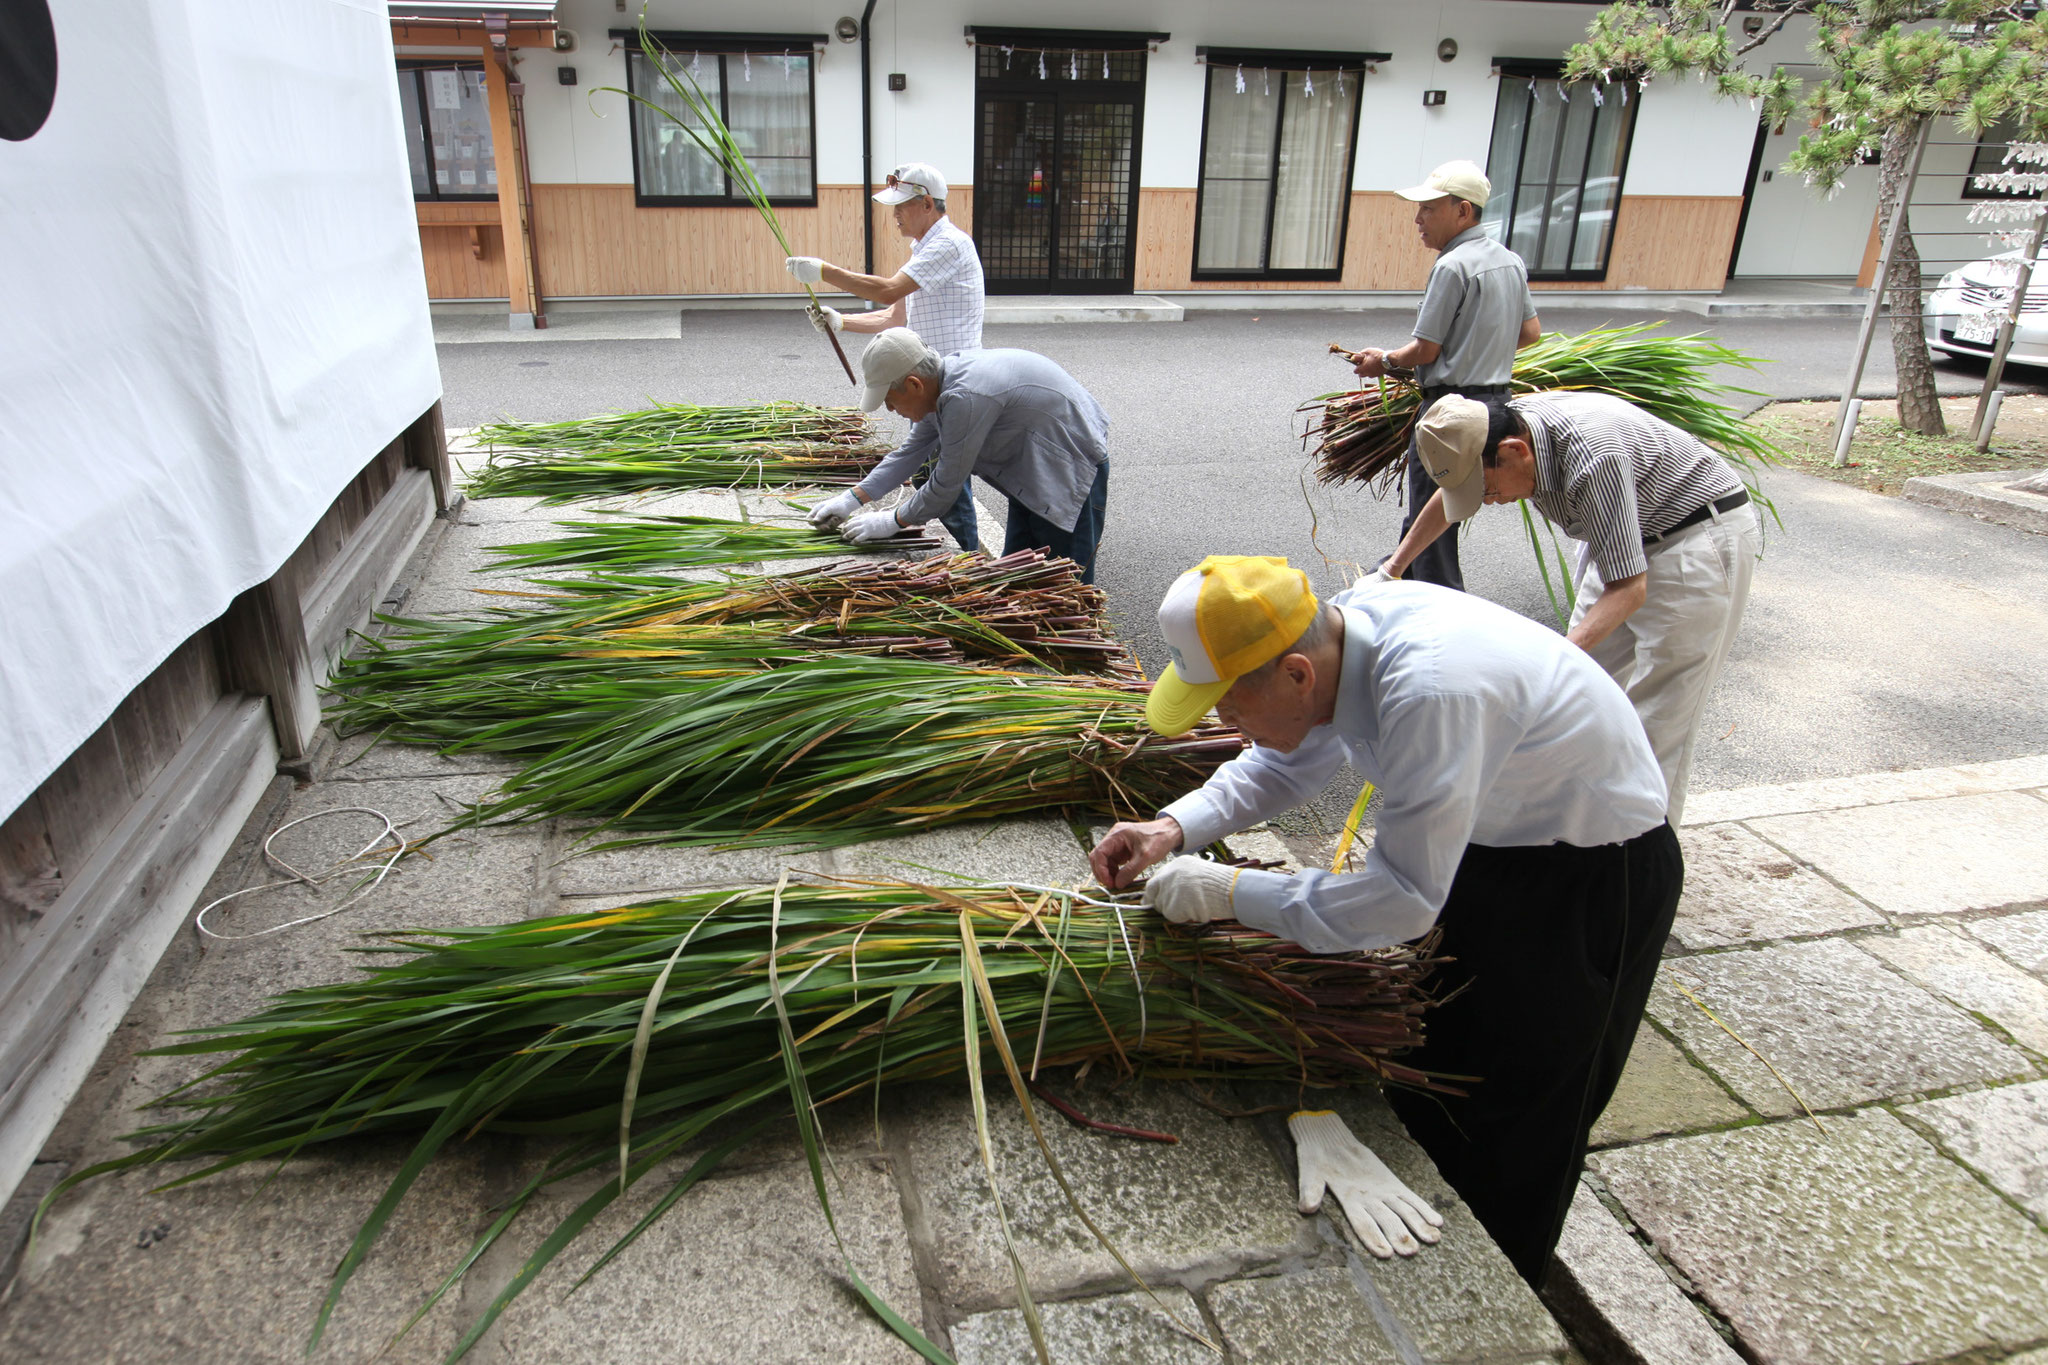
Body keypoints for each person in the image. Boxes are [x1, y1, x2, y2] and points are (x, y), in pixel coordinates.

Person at [1089, 555, 1680, 1287]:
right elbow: (1284, 761)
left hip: (1590, 875)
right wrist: (1174, 828)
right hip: (1491, 843)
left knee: (1521, 1108)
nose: (1222, 722)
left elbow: (1400, 896)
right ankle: (1440, 1234)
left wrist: (1228, 889)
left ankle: (1497, 1293)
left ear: (1297, 674)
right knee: (1441, 1058)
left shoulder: (1430, 689)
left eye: (1230, 706)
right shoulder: (1338, 634)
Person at [1378, 393, 1761, 826]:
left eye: (1485, 488)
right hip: (1620, 541)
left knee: (1656, 719)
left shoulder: (1593, 458)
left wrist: (1551, 659)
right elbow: (1449, 500)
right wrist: (1393, 569)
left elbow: (1629, 588)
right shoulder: (1499, 428)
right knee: (1576, 695)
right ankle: (1574, 834)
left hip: (1692, 540)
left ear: (1514, 452)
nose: (1487, 501)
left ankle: (1640, 862)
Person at [1347, 160, 1540, 591]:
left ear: (1463, 211)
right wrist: (1481, 346)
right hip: (1496, 407)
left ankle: (1438, 607)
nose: (1419, 218)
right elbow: (1530, 333)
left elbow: (1426, 350)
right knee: (1441, 511)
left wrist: (1384, 362)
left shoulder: (1452, 267)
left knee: (1430, 519)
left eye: (1429, 208)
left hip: (1450, 410)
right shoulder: (1509, 261)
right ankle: (1393, 583)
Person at [787, 162, 985, 551]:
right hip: (924, 383)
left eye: (902, 206)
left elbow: (889, 291)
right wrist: (840, 321)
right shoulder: (923, 248)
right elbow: (896, 317)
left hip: (948, 383)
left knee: (943, 474)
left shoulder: (949, 244)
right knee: (929, 465)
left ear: (927, 203)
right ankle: (958, 548)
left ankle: (966, 553)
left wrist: (824, 271)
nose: (894, 215)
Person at [820, 328, 1111, 583]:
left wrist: (892, 521)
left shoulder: (964, 397)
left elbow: (946, 486)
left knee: (1066, 585)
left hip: (1070, 468)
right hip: (1031, 473)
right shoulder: (939, 387)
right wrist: (852, 498)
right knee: (1019, 575)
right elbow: (910, 452)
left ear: (913, 384)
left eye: (889, 401)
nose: (891, 410)